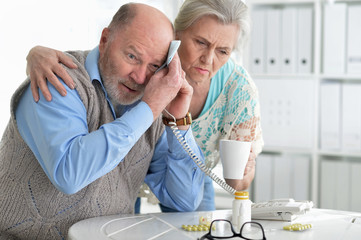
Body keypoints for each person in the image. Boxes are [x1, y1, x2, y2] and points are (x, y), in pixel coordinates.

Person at [26, 0, 264, 213]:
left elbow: (192, 199)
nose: (208, 59)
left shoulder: (236, 89)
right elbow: (71, 175)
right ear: (176, 36)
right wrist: (35, 52)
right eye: (200, 42)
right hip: (121, 187)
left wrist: (179, 122)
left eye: (223, 51)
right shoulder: (138, 79)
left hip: (188, 174)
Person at [0, 3, 206, 240]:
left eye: (153, 66)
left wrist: (179, 121)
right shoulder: (55, 78)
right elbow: (69, 174)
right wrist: (149, 108)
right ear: (105, 39)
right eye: (132, 56)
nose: (140, 77)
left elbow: (184, 201)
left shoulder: (151, 106)